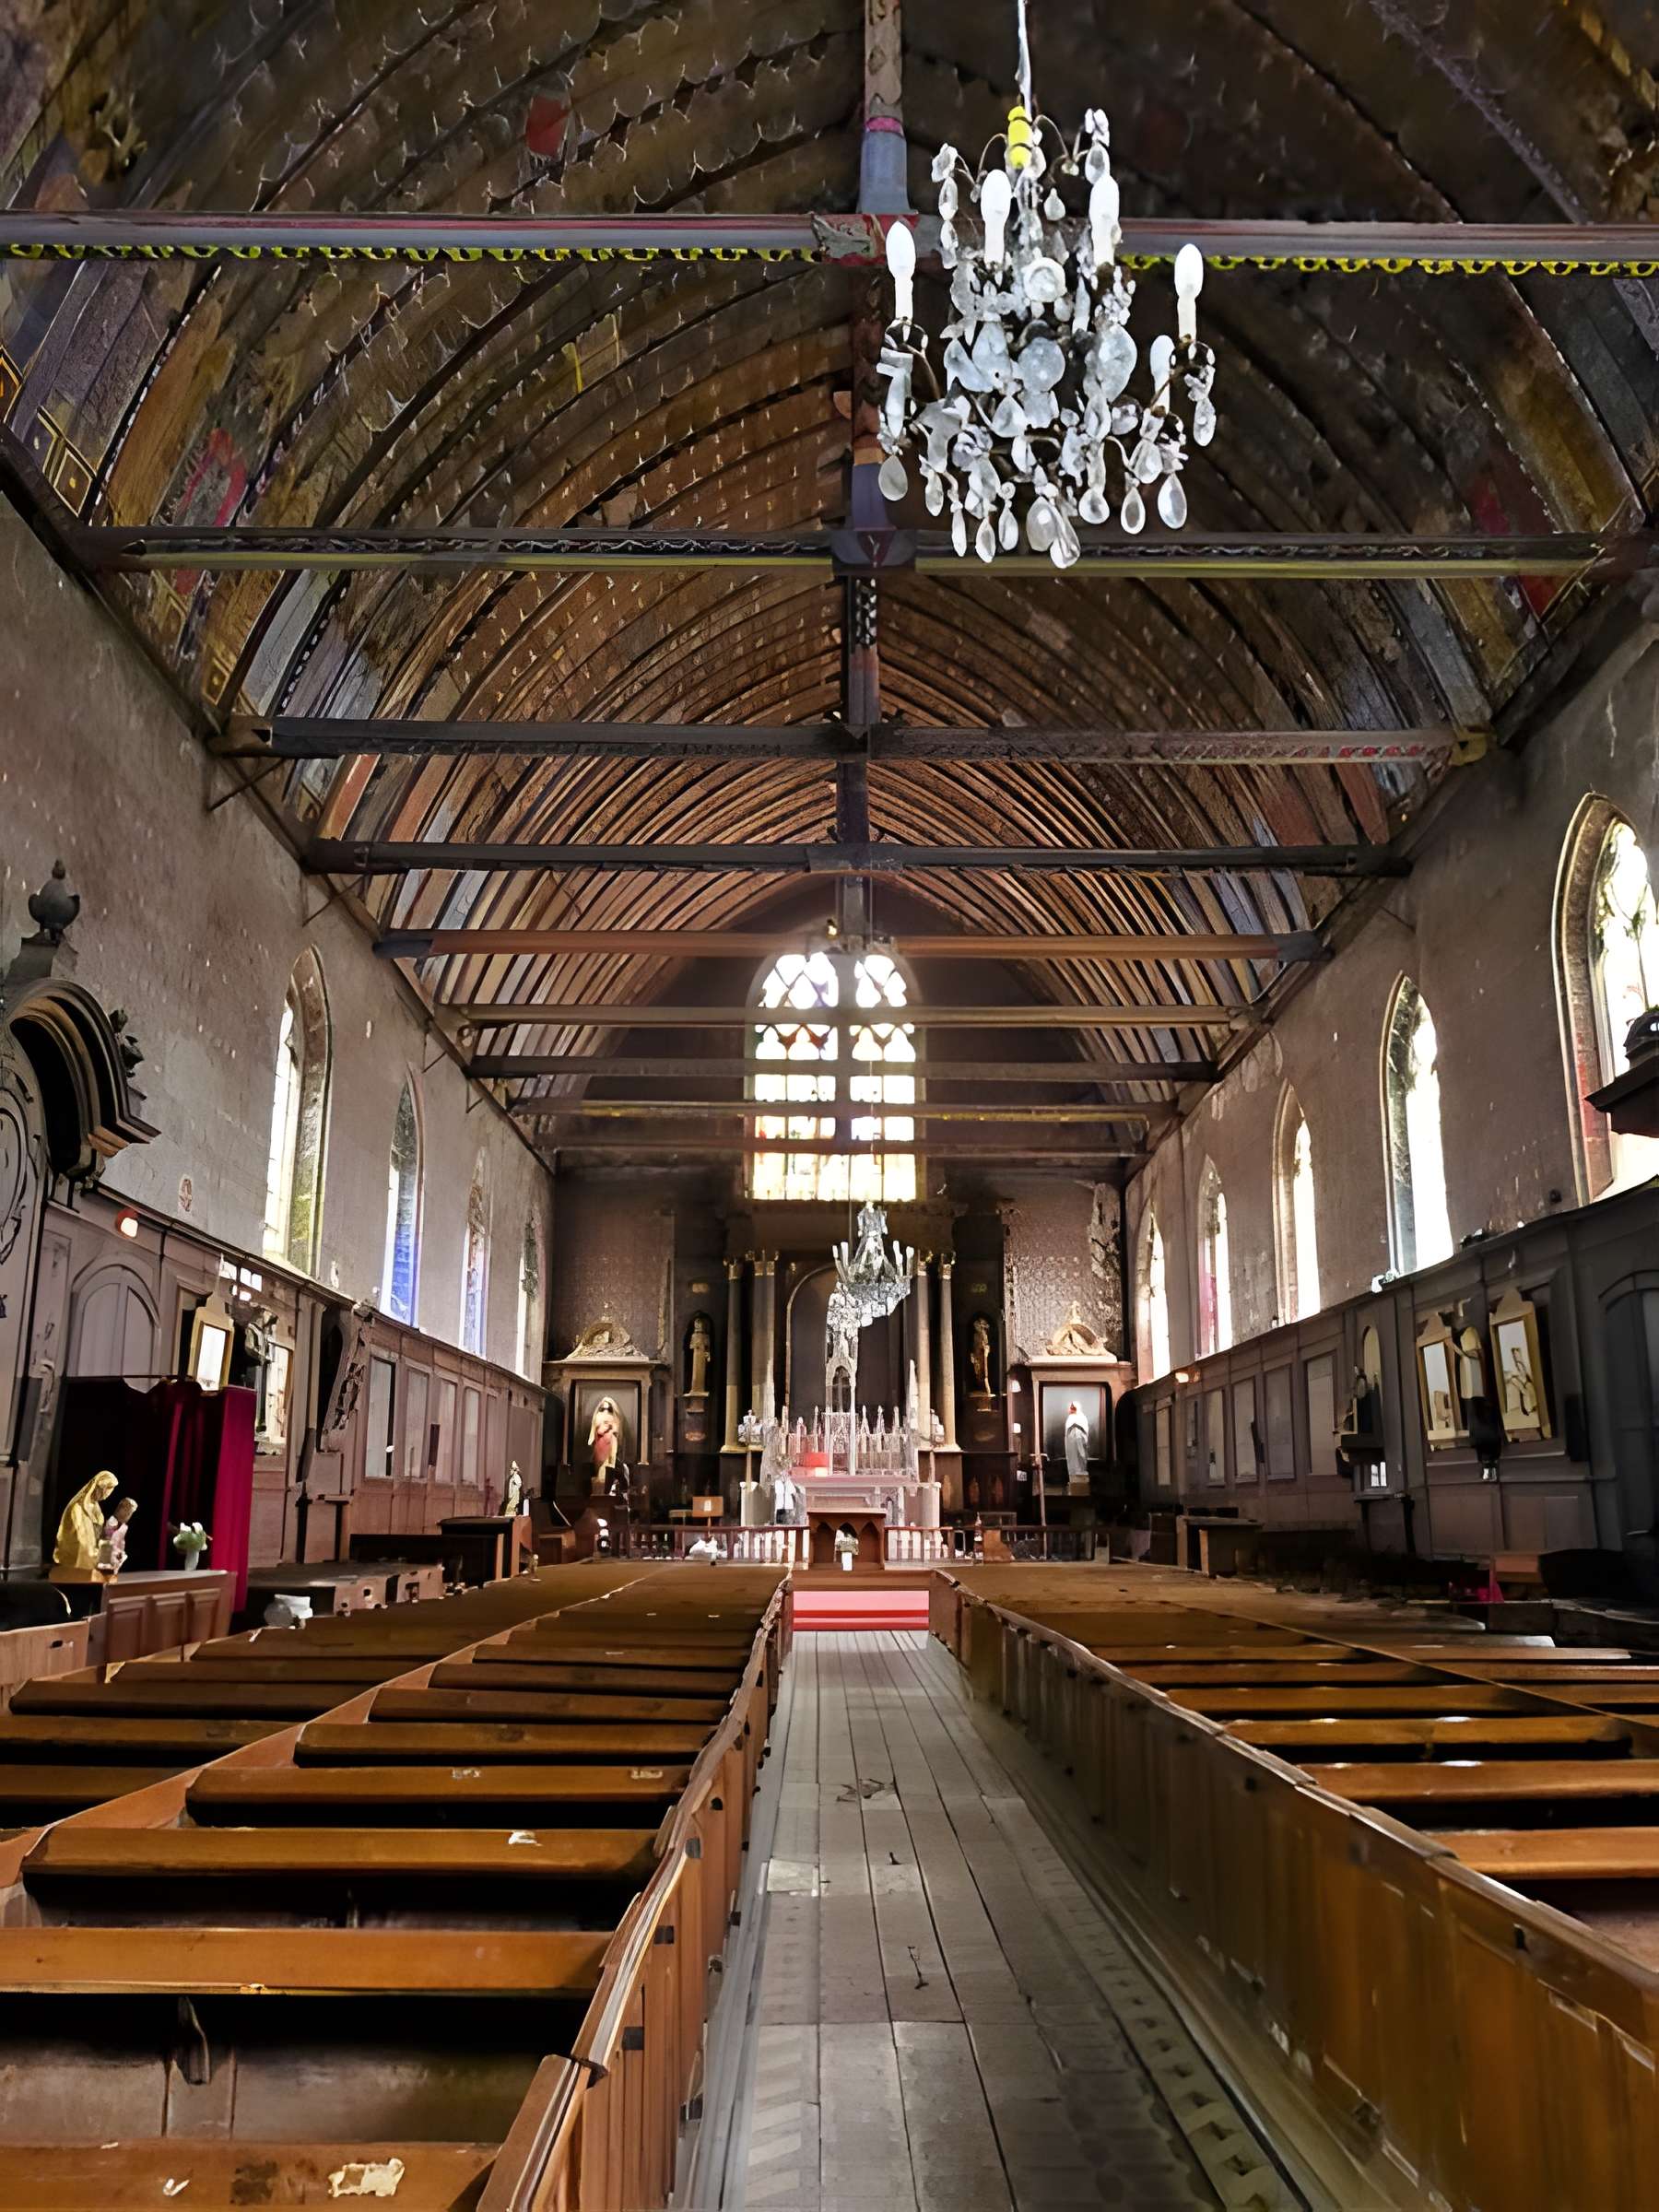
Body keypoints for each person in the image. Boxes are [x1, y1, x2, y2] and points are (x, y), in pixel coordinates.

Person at [52, 1472, 117, 1580]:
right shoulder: (77, 1508)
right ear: (97, 1488)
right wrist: (93, 1548)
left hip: (92, 1548)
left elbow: (98, 1532)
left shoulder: (97, 1511)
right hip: (77, 1549)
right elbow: (76, 1534)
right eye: (106, 1491)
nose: (106, 1496)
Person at [587, 1397, 623, 1491]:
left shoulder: (614, 1417)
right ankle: (601, 1488)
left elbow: (616, 1429)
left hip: (611, 1442)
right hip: (601, 1444)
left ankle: (607, 1488)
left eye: (608, 1409)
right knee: (600, 1468)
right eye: (604, 1408)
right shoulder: (598, 1416)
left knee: (609, 1465)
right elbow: (598, 1430)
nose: (606, 1411)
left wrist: (611, 1428)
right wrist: (606, 1427)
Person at [99, 1497, 138, 1575]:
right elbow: (106, 1541)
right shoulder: (111, 1523)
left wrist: (120, 1552)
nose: (128, 1515)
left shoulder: (123, 1527)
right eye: (126, 1510)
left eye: (130, 1513)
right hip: (106, 1559)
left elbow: (120, 1543)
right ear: (120, 1508)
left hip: (115, 1558)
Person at [1065, 1401, 1090, 1488]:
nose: (1072, 1409)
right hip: (1071, 1443)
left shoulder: (1082, 1417)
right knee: (1072, 1459)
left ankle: (1081, 1481)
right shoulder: (1070, 1418)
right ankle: (1073, 1479)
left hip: (1080, 1442)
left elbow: (1085, 1429)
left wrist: (1077, 1426)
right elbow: (1067, 1431)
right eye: (1071, 1408)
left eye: (1074, 1408)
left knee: (1081, 1459)